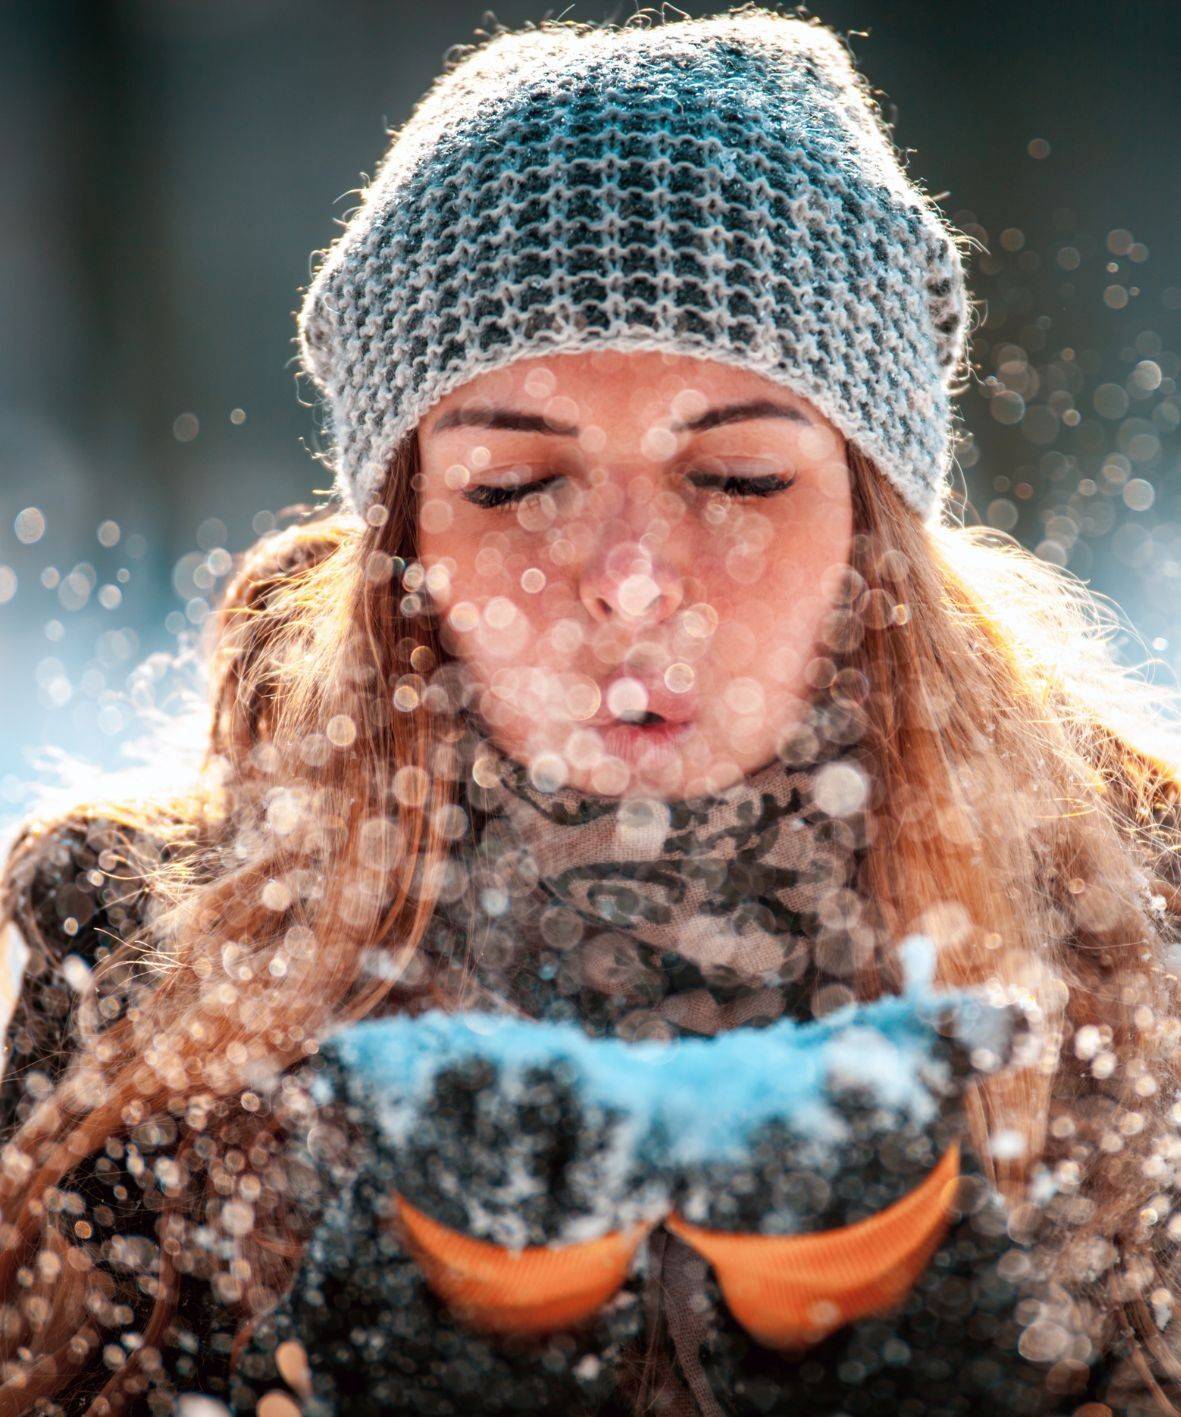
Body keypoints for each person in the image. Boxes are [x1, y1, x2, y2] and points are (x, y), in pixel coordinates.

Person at [3, 6, 1181, 1414]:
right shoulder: (154, 971)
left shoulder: (1144, 938)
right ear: (406, 550)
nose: (627, 582)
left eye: (737, 478)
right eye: (512, 486)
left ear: (875, 536)